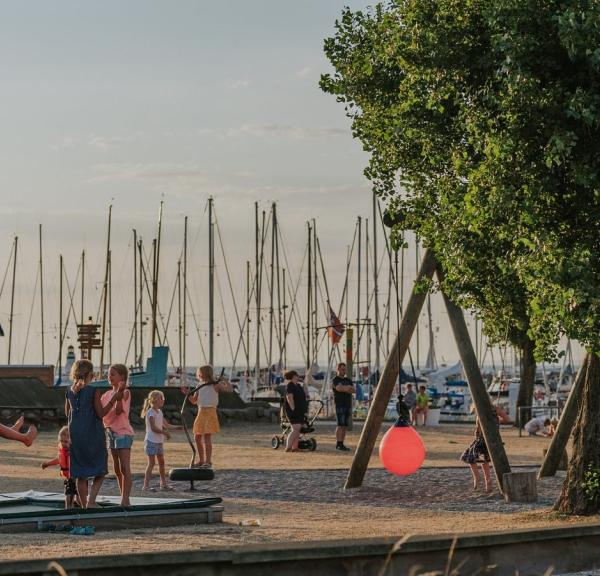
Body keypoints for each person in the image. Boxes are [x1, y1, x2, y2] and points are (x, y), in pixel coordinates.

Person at [65, 359, 112, 508]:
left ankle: (85, 505)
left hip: (75, 433)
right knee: (101, 468)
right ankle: (91, 502)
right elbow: (100, 413)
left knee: (80, 472)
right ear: (90, 374)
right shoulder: (94, 391)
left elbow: (67, 413)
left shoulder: (69, 391)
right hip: (92, 432)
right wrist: (114, 400)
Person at [100, 364, 134, 507]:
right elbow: (102, 413)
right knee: (117, 469)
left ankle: (125, 499)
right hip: (111, 433)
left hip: (123, 433)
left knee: (125, 468)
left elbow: (119, 411)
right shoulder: (106, 395)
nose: (110, 376)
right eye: (109, 374)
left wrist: (119, 395)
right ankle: (122, 495)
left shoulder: (126, 393)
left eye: (113, 374)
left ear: (122, 377)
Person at [187, 365, 231, 469]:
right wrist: (187, 394)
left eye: (200, 373)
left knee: (207, 437)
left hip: (210, 412)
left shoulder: (215, 385)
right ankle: (201, 460)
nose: (198, 375)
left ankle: (208, 461)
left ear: (204, 374)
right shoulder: (199, 385)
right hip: (201, 411)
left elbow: (229, 389)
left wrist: (224, 380)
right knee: (197, 437)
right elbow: (194, 401)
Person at [141, 390, 182, 491]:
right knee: (151, 463)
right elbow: (153, 428)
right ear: (154, 400)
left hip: (159, 442)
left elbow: (166, 425)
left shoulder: (160, 412)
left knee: (161, 463)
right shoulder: (150, 412)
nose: (163, 400)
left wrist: (177, 427)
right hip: (151, 441)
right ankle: (145, 486)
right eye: (161, 398)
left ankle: (163, 484)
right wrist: (165, 433)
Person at [41, 426, 78, 508]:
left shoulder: (75, 451)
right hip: (69, 479)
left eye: (66, 441)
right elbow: (59, 460)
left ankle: (82, 512)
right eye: (61, 441)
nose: (63, 444)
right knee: (68, 497)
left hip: (78, 479)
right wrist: (47, 464)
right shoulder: (63, 451)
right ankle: (67, 511)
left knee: (78, 498)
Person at [460, 417, 492, 492]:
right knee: (484, 460)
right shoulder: (496, 410)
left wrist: (478, 437)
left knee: (468, 456)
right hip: (492, 438)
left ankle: (477, 477)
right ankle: (488, 480)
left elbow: (478, 430)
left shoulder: (480, 414)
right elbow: (507, 419)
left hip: (482, 439)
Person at [283, 370, 309, 452]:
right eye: (297, 375)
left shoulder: (298, 385)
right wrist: (293, 409)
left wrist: (304, 383)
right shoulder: (290, 385)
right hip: (293, 410)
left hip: (300, 410)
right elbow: (289, 397)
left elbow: (306, 394)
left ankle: (295, 447)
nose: (299, 376)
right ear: (294, 376)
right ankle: (288, 447)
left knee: (298, 429)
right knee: (296, 428)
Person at [332, 362, 354, 452]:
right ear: (338, 370)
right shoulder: (335, 380)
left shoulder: (348, 380)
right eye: (342, 369)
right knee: (340, 425)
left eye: (345, 369)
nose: (344, 371)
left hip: (348, 404)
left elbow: (353, 390)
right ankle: (338, 443)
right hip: (339, 404)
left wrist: (346, 388)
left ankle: (342, 443)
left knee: (345, 425)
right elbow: (338, 388)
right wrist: (347, 388)